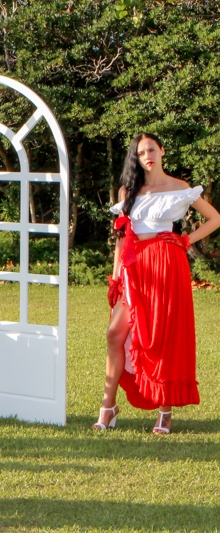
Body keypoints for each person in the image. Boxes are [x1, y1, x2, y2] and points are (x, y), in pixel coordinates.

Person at [95, 133, 220, 434]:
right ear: (136, 158)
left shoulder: (180, 187)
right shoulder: (129, 190)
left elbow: (215, 219)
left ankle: (165, 410)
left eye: (151, 149)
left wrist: (186, 239)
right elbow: (122, 236)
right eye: (141, 153)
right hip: (134, 266)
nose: (147, 156)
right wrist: (115, 277)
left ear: (162, 150)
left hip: (167, 263)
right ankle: (108, 406)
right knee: (114, 333)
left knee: (163, 335)